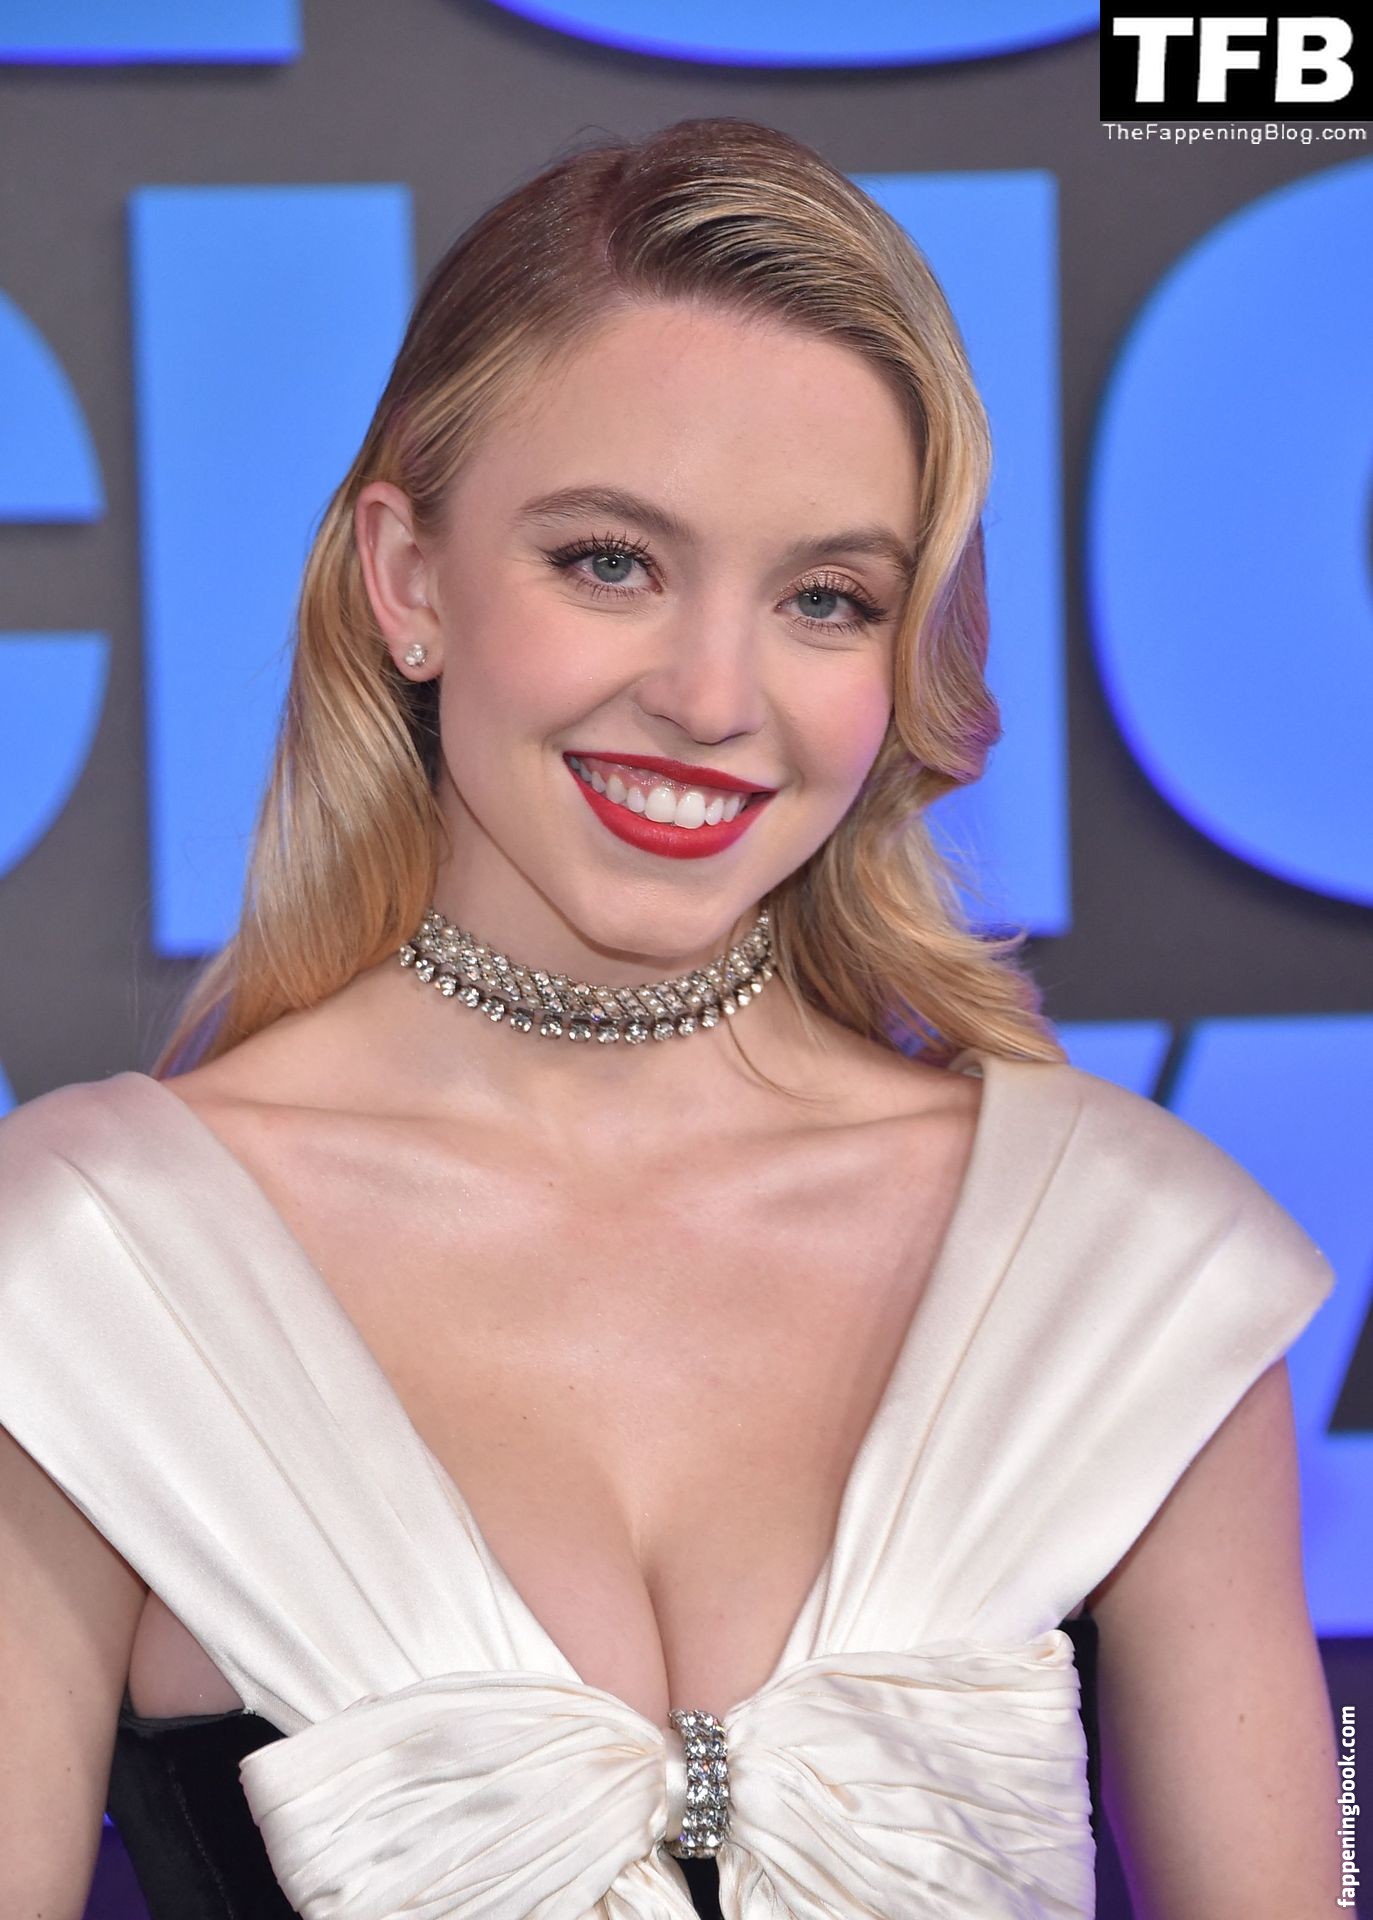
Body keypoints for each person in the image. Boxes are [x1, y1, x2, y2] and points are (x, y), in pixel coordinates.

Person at [0, 116, 1340, 1920]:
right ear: (408, 579)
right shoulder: (79, 1282)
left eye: (824, 600)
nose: (713, 696)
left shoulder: (1125, 1268)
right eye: (609, 562)